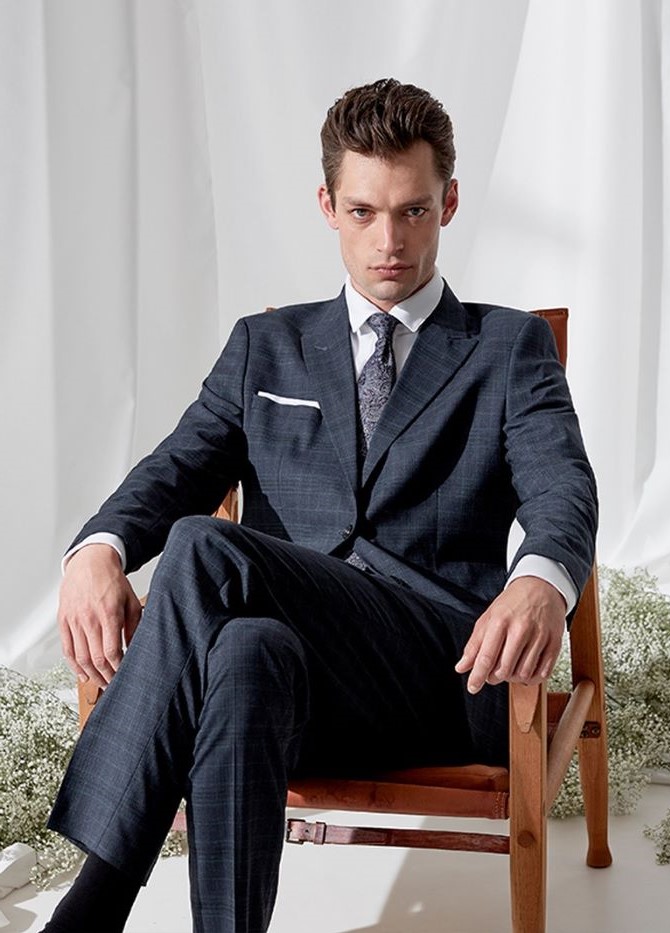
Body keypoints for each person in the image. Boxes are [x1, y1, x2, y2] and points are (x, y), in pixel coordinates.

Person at [43, 78, 597, 933]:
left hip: (441, 671)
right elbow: (180, 463)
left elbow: (563, 483)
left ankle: (95, 900)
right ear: (327, 205)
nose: (390, 240)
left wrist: (543, 579)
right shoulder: (266, 345)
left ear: (448, 202)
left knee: (204, 547)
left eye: (414, 211)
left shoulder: (506, 346)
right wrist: (100, 546)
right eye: (366, 211)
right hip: (300, 683)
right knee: (246, 651)